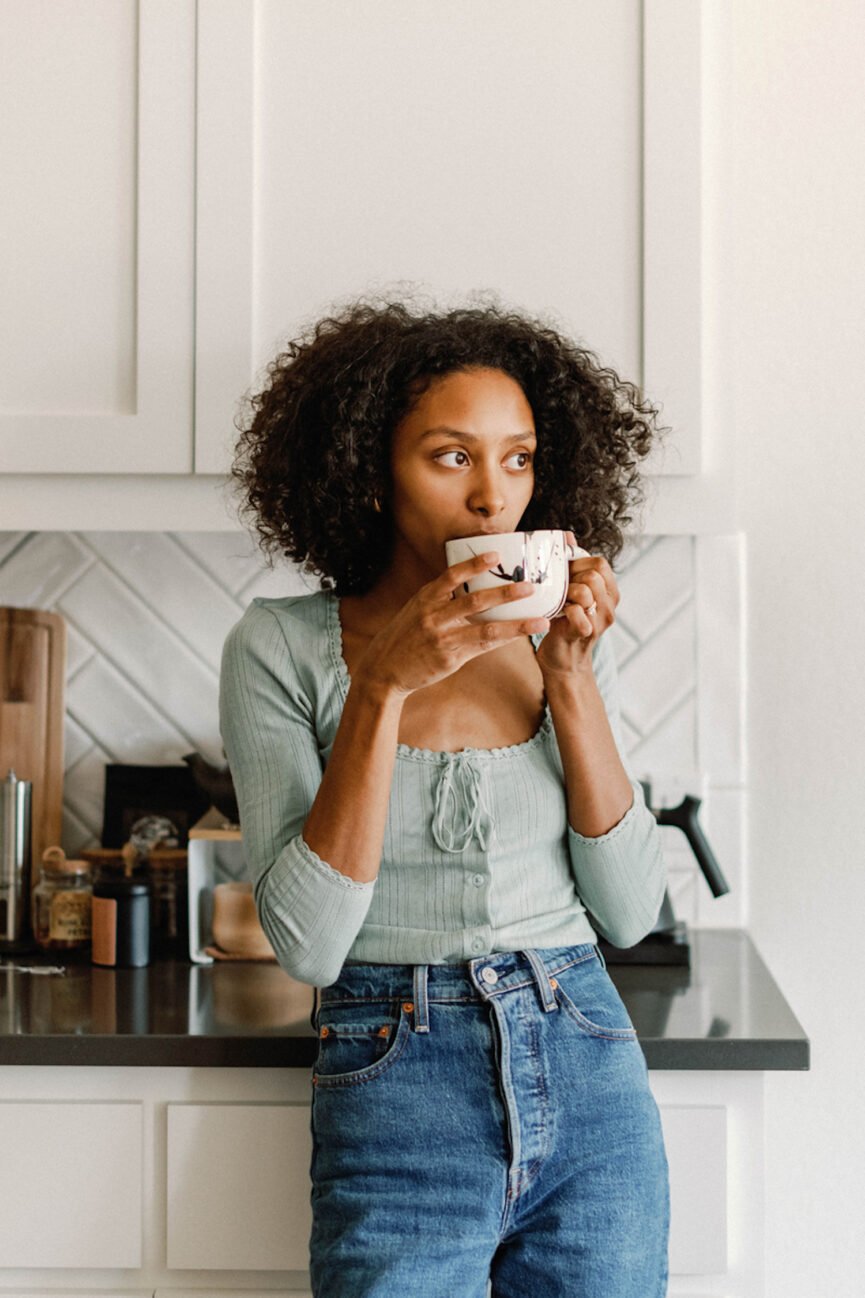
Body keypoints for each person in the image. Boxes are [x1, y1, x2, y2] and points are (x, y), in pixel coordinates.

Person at [219, 294, 671, 1298]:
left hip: (585, 1054)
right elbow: (309, 941)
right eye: (450, 455)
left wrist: (570, 675)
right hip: (394, 1066)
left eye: (517, 457)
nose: (491, 499)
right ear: (369, 472)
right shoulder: (283, 646)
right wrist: (383, 682)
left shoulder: (554, 636)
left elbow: (632, 912)